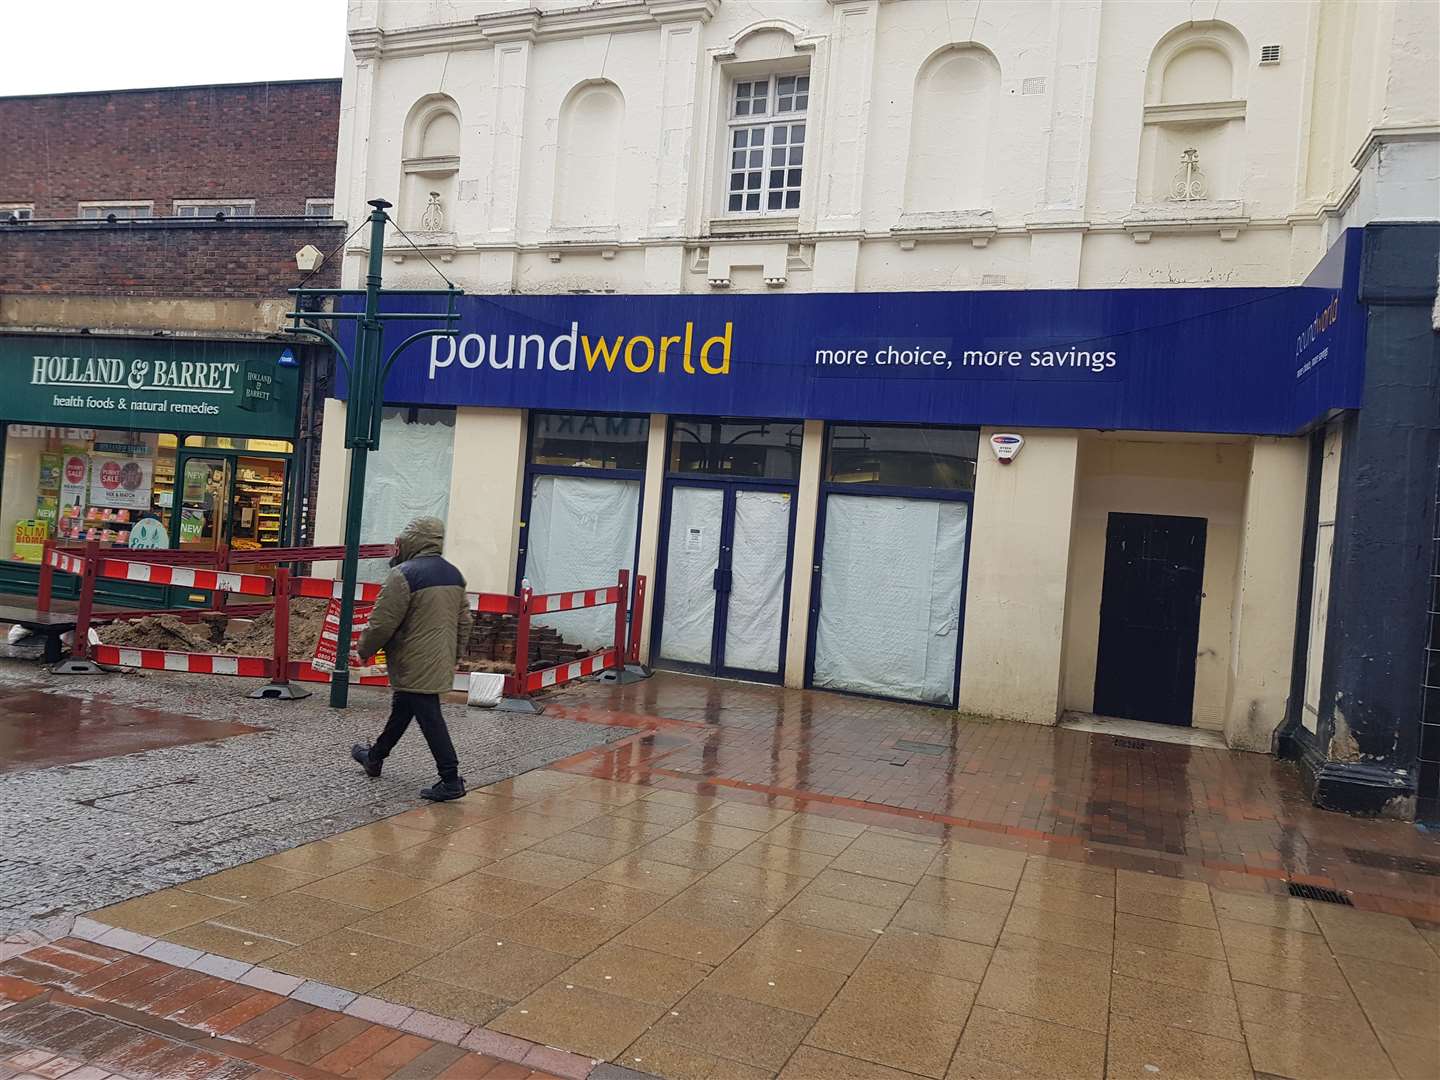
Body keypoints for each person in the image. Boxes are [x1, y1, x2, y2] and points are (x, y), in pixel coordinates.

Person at [350, 516, 473, 801]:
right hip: (438, 658)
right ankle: (375, 757)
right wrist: (454, 653)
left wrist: (364, 650)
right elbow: (465, 620)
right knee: (403, 708)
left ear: (411, 541)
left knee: (430, 717)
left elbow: (383, 622)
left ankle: (451, 779)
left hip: (412, 658)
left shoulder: (404, 574)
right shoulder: (454, 574)